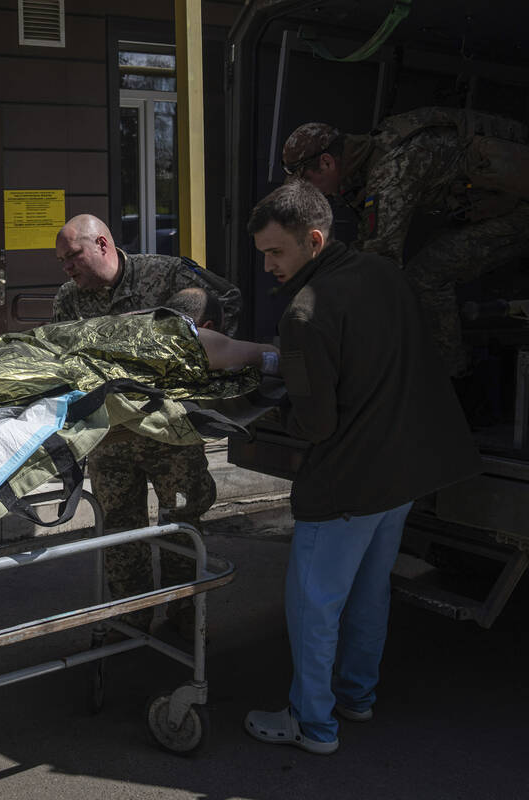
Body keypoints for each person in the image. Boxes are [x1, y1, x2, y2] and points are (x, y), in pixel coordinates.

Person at [242, 181, 480, 755]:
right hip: (405, 473)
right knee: (371, 592)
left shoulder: (302, 314)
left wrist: (252, 412)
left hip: (348, 482)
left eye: (276, 253)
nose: (269, 266)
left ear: (315, 239)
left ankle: (312, 723)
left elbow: (315, 423)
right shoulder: (384, 274)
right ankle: (356, 696)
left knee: (314, 604)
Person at [52, 214, 243, 637]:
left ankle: (182, 620)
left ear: (102, 244)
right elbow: (63, 353)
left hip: (170, 432)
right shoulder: (69, 297)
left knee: (181, 526)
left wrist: (187, 357)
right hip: (111, 437)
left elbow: (227, 299)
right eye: (62, 261)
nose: (67, 268)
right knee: (120, 534)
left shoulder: (166, 272)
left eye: (73, 257)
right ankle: (130, 621)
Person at [281, 109, 529, 378]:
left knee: (426, 276)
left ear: (327, 163)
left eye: (308, 182)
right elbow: (367, 243)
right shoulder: (370, 157)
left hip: (519, 206)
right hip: (496, 201)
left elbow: (379, 264)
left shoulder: (391, 170)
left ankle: (452, 378)